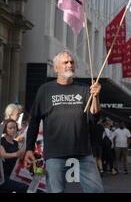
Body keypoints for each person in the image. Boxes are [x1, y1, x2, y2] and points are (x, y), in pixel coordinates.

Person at [23, 51, 104, 193]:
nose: (70, 65)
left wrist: (96, 97)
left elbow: (94, 118)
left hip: (83, 152)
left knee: (96, 190)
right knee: (55, 191)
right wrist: (29, 148)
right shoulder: (45, 90)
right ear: (56, 68)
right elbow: (34, 121)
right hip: (55, 153)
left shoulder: (85, 89)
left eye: (72, 62)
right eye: (65, 62)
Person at [0, 119, 28, 193]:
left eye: (14, 128)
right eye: (10, 128)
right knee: (24, 187)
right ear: (5, 129)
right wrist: (17, 154)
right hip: (3, 176)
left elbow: (21, 157)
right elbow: (3, 154)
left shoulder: (16, 143)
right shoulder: (1, 141)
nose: (13, 130)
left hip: (13, 174)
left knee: (26, 185)